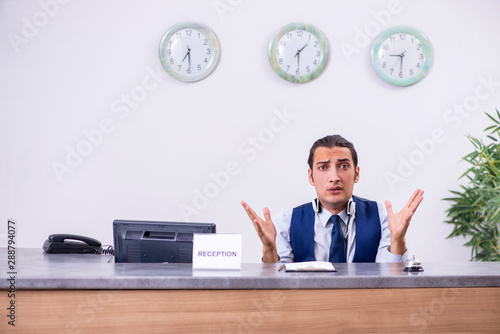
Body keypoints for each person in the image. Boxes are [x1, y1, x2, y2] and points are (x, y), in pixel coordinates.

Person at [241, 134, 424, 263]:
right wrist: (269, 248)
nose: (334, 177)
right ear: (311, 177)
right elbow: (278, 281)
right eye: (323, 168)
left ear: (356, 174)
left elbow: (390, 280)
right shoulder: (285, 222)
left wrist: (398, 240)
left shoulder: (382, 216)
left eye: (343, 166)